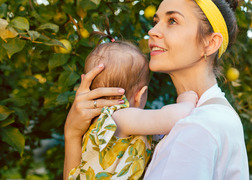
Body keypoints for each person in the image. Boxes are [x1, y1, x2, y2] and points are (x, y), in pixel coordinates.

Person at [64, 0, 249, 179]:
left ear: (210, 43)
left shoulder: (196, 127)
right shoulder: (213, 116)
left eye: (172, 21)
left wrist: (72, 134)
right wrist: (72, 135)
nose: (152, 31)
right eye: (156, 21)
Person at [67, 38, 198, 179]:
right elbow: (169, 118)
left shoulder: (92, 126)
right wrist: (186, 101)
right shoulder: (120, 118)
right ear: (140, 95)